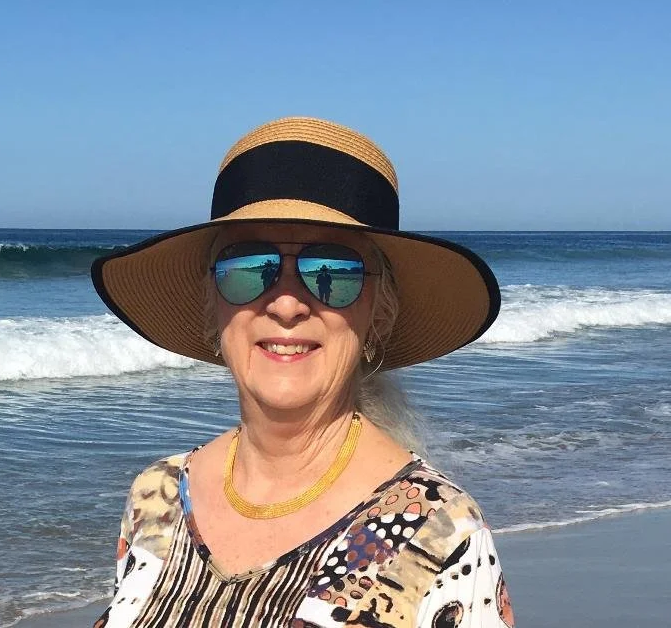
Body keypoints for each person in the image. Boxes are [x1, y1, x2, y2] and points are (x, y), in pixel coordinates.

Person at [90, 117, 513, 627]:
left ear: (379, 314)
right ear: (213, 307)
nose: (287, 303)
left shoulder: (441, 532)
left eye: (332, 271)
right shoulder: (156, 497)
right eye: (249, 267)